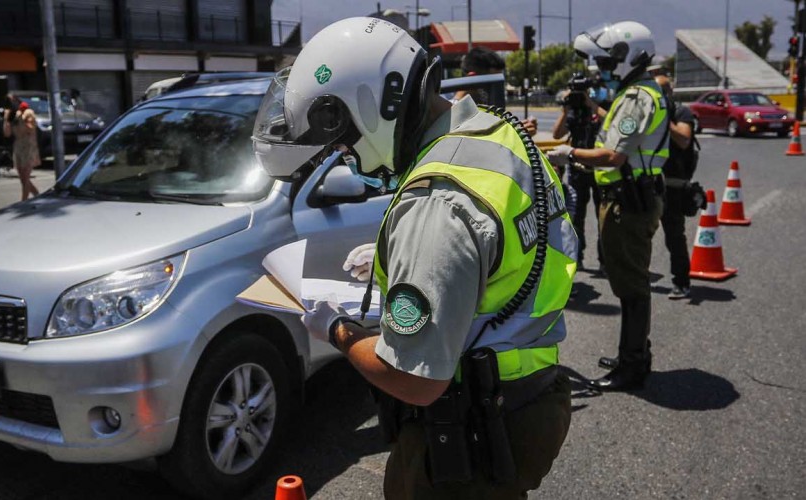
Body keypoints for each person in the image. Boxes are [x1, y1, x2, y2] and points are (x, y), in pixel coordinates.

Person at [252, 17, 576, 499]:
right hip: (529, 398)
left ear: (371, 106)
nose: (347, 157)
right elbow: (501, 254)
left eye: (343, 141)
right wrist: (411, 267)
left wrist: (337, 331)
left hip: (469, 434)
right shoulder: (496, 134)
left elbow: (413, 381)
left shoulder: (436, 203)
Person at [548, 21, 668, 391]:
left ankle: (632, 365)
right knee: (628, 281)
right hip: (631, 197)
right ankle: (632, 354)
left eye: (604, 61)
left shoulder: (636, 97)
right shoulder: (636, 91)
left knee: (631, 286)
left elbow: (613, 155)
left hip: (628, 201)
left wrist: (567, 153)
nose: (600, 69)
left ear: (624, 57)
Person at [552, 74, 606, 268]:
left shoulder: (600, 106)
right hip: (577, 169)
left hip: (599, 168)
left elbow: (610, 121)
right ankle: (579, 257)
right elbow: (557, 134)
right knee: (576, 217)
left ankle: (604, 261)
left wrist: (590, 104)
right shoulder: (572, 111)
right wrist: (565, 110)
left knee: (603, 218)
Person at [654, 74, 695, 300]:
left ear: (669, 92)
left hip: (674, 187)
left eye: (661, 91)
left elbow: (684, 139)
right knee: (639, 236)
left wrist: (663, 118)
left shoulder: (681, 112)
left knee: (674, 237)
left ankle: (682, 282)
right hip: (650, 184)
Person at [453, 46, 538, 136]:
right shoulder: (453, 113)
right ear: (472, 77)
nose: (497, 89)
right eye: (494, 83)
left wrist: (519, 132)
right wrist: (514, 135)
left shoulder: (485, 109)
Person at [3, 95, 40, 200]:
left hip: (28, 146)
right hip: (18, 146)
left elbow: (31, 129)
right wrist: (6, 119)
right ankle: (37, 195)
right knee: (23, 178)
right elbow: (7, 134)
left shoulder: (27, 112)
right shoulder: (11, 115)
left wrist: (21, 118)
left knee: (25, 175)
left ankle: (24, 201)